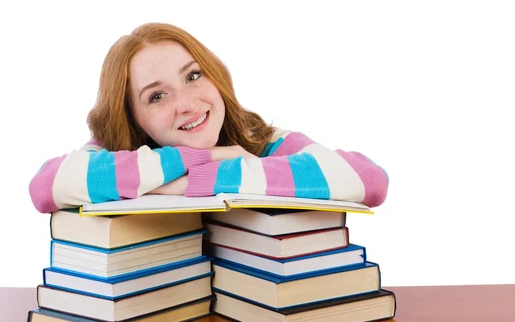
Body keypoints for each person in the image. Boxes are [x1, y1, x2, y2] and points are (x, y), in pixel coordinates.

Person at [29, 23, 388, 214]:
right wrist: (208, 156)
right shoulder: (116, 152)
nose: (186, 103)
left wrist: (191, 181)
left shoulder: (259, 140)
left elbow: (367, 178)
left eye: (193, 75)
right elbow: (46, 185)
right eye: (157, 96)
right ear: (134, 120)